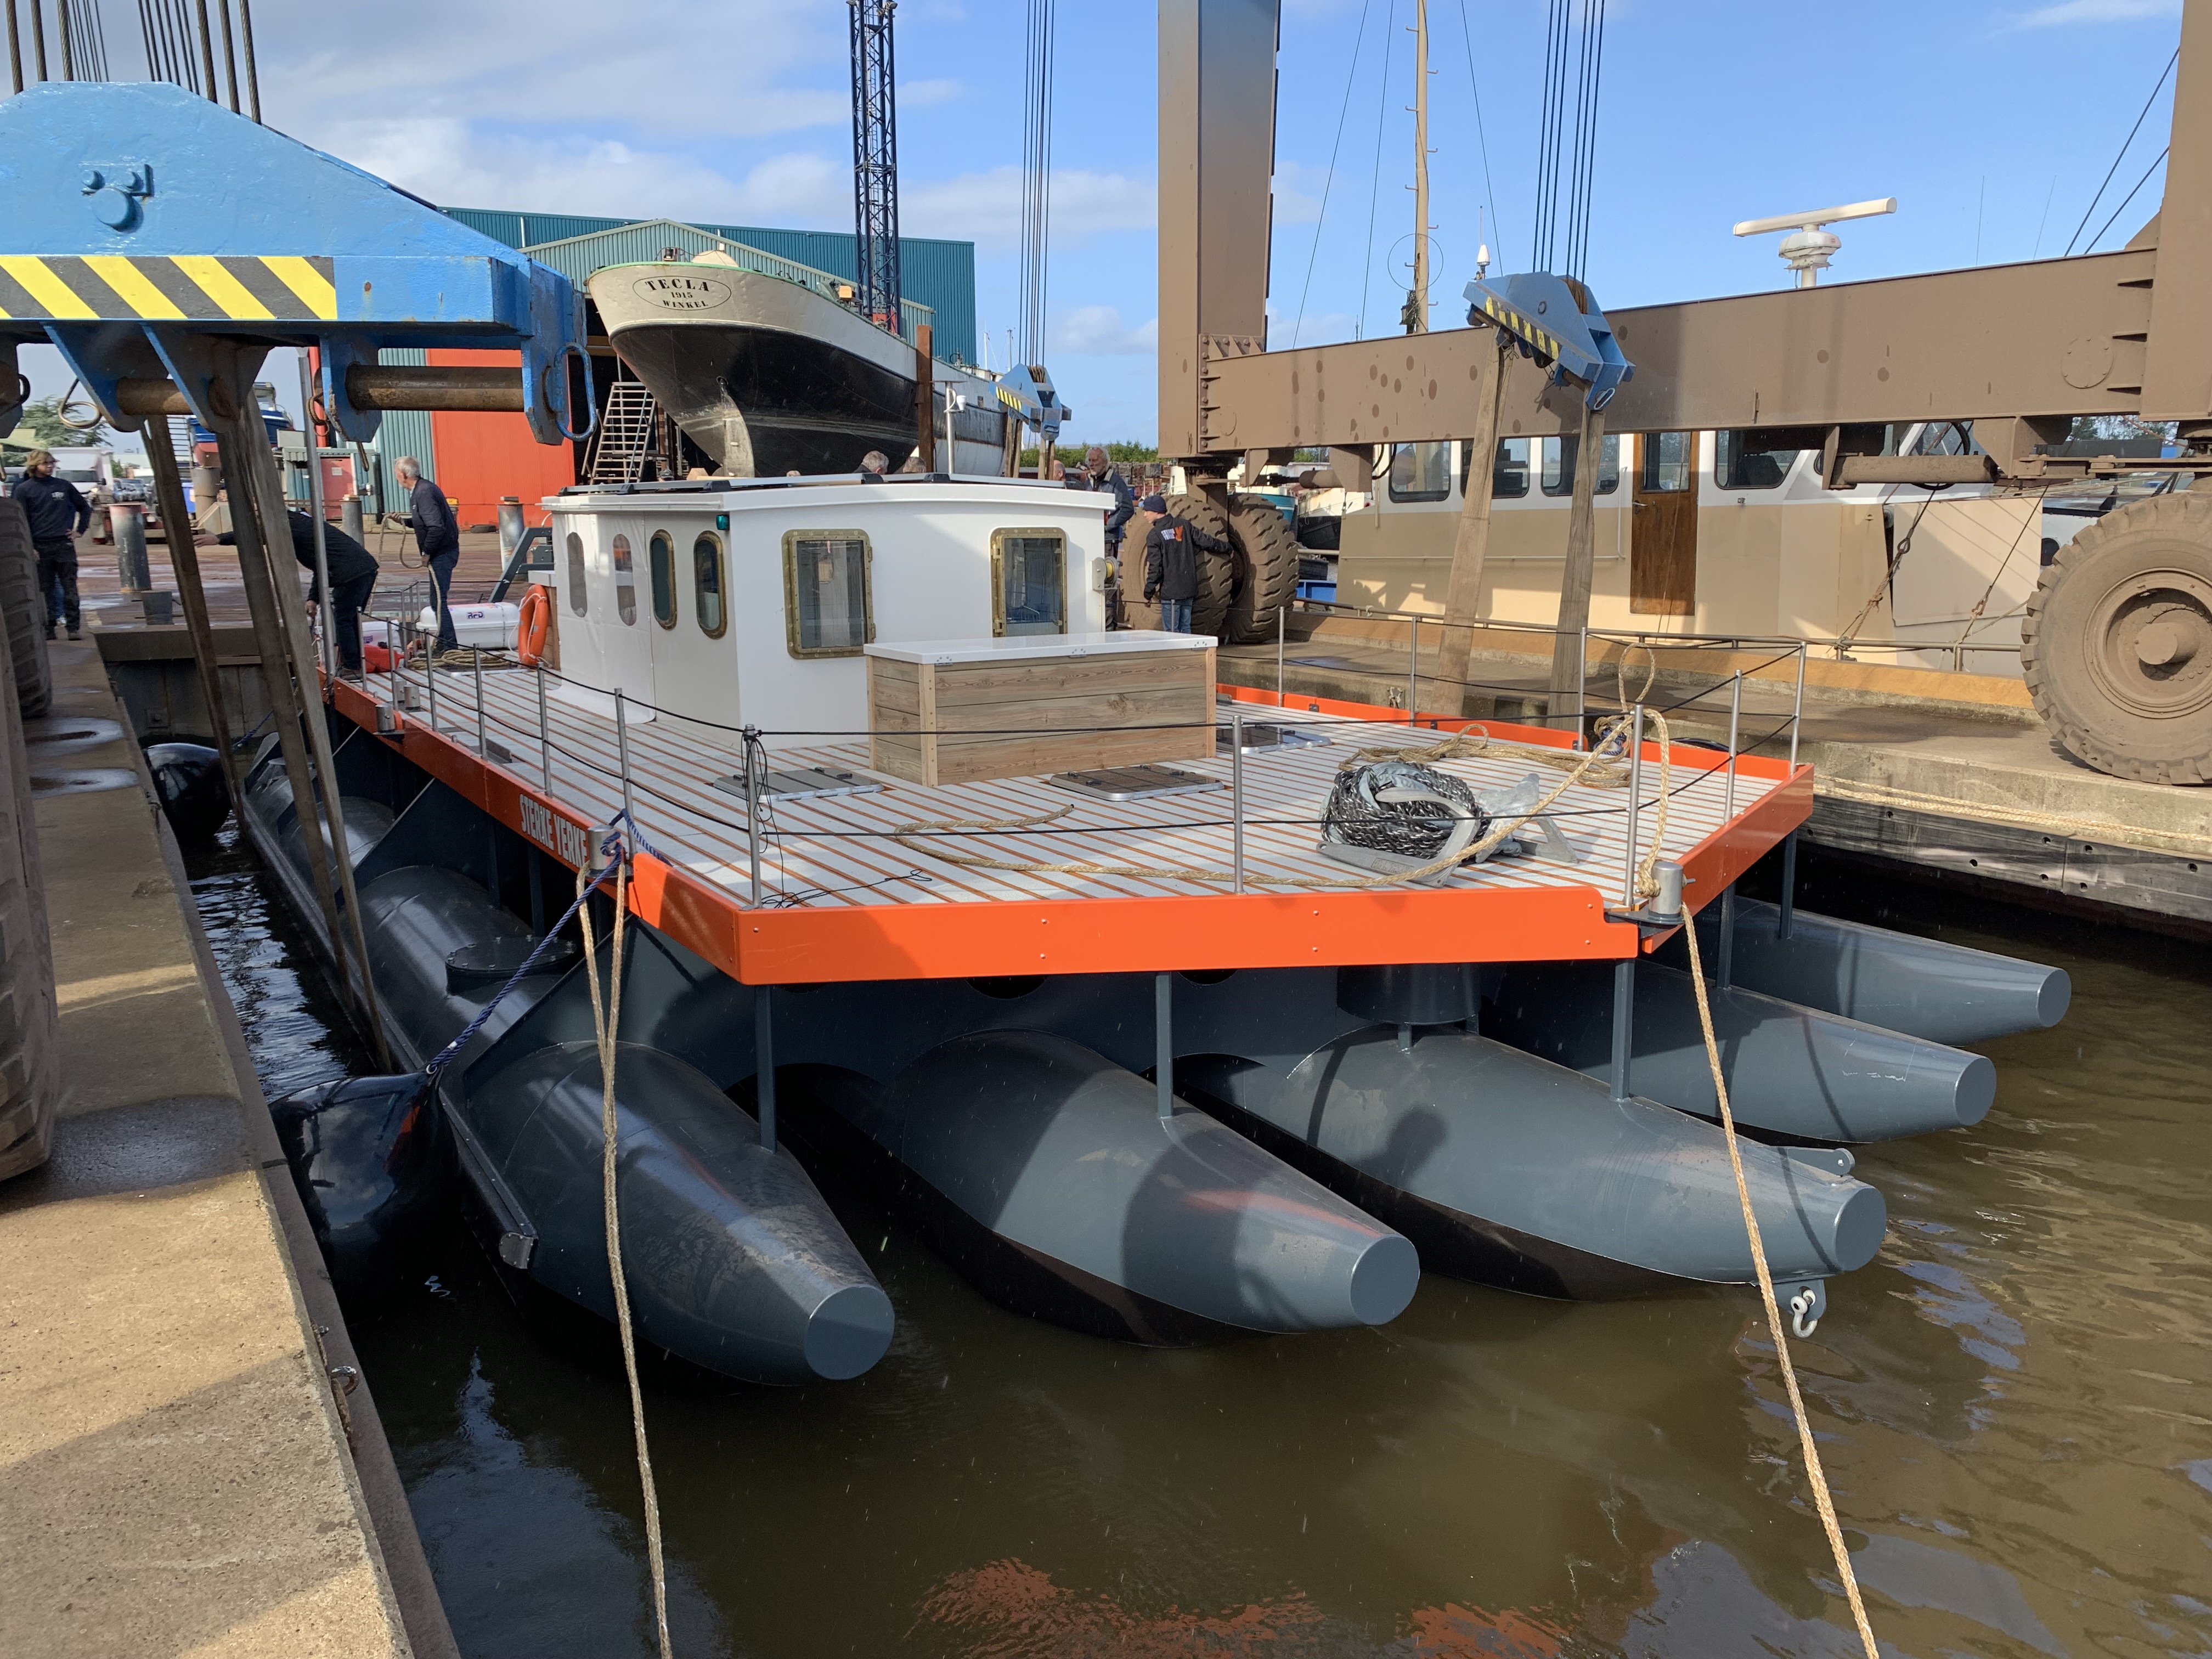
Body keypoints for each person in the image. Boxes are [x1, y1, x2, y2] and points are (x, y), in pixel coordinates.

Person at [217, 510, 382, 674]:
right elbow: (320, 566)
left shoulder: (291, 525)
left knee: (344, 620)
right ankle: (353, 664)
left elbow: (256, 536)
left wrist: (219, 539)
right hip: (363, 568)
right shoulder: (301, 523)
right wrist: (313, 599)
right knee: (350, 619)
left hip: (352, 573)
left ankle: (352, 667)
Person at [13, 450, 92, 640]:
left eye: (52, 463)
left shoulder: (63, 486)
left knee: (70, 588)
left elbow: (84, 507)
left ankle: (73, 628)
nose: (50, 466)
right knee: (44, 590)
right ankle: (49, 628)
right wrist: (29, 546)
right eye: (45, 463)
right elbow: (20, 520)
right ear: (35, 466)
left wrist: (79, 531)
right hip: (40, 547)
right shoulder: (24, 490)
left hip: (63, 545)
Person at [1138, 492, 1229, 635]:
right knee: (1186, 629)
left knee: (1171, 632)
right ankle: (1187, 656)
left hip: (1171, 592)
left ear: (1156, 512)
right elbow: (1206, 541)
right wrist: (1227, 548)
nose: (1145, 515)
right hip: (1188, 589)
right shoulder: (1184, 526)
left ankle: (1175, 657)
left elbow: (1155, 569)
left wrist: (1148, 593)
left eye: (1147, 511)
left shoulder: (1155, 535)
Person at [394, 456, 459, 650]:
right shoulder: (421, 491)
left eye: (397, 474)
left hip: (442, 553)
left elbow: (436, 527)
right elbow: (427, 521)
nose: (396, 478)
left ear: (404, 475)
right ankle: (446, 642)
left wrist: (426, 552)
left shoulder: (424, 493)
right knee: (437, 600)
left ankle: (449, 646)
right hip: (442, 552)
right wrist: (405, 522)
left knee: (439, 600)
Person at [1068, 444, 1135, 561]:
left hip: (1107, 540)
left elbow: (1128, 508)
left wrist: (1107, 526)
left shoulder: (1116, 483)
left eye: (1095, 460)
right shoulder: (1088, 483)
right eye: (1089, 460)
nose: (1091, 464)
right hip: (1090, 537)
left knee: (1105, 575)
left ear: (1104, 462)